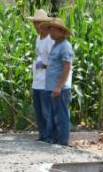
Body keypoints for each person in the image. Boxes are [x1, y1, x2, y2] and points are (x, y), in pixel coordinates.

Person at [27, 9, 55, 143]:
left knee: (47, 112)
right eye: (34, 24)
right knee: (38, 112)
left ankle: (50, 137)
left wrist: (40, 66)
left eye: (38, 24)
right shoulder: (38, 39)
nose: (36, 27)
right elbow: (40, 58)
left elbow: (53, 64)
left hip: (46, 82)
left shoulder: (50, 40)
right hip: (37, 81)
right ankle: (43, 135)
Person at [46, 17, 74, 147]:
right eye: (50, 28)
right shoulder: (56, 45)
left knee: (62, 116)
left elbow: (67, 67)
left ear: (61, 31)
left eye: (53, 29)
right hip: (53, 88)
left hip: (60, 89)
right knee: (55, 115)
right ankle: (56, 140)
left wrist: (58, 86)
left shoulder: (65, 46)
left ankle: (63, 142)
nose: (51, 31)